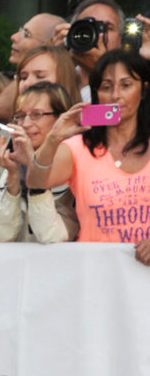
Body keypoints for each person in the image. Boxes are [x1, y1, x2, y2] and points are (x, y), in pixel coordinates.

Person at [27, 48, 150, 264]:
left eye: (126, 85)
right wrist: (53, 137)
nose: (116, 96)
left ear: (144, 90)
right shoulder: (78, 147)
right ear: (95, 94)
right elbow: (36, 181)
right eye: (106, 87)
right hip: (97, 277)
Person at [0, 82, 79, 243]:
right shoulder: (0, 168)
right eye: (20, 116)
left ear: (61, 119)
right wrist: (13, 178)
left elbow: (51, 237)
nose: (26, 124)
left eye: (36, 115)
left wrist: (34, 168)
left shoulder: (75, 166)